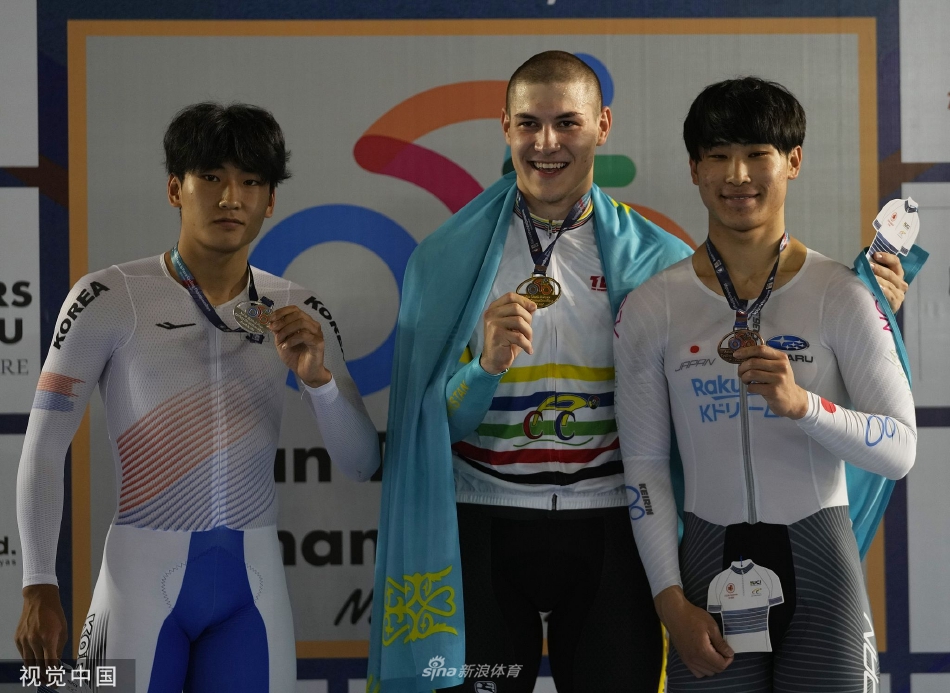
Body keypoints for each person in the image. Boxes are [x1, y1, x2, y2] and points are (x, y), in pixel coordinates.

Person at [367, 55, 910, 693]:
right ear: (505, 127)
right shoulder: (446, 258)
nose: (547, 142)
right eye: (529, 123)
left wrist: (866, 315)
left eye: (567, 122)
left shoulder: (657, 261)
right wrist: (483, 370)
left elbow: (862, 421)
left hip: (611, 537)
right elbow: (425, 432)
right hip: (483, 527)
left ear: (602, 126)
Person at [15, 102, 380, 692]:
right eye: (211, 177)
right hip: (136, 586)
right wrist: (38, 584)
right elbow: (44, 444)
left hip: (252, 592)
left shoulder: (298, 309)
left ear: (270, 200)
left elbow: (363, 463)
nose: (231, 197)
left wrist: (319, 382)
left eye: (251, 181)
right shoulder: (108, 297)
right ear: (174, 189)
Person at [613, 77, 917, 692]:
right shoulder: (652, 307)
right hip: (705, 574)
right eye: (718, 155)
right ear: (695, 169)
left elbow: (900, 449)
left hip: (823, 570)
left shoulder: (843, 295)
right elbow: (643, 466)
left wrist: (804, 406)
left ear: (793, 161)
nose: (738, 175)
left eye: (757, 154)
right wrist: (670, 602)